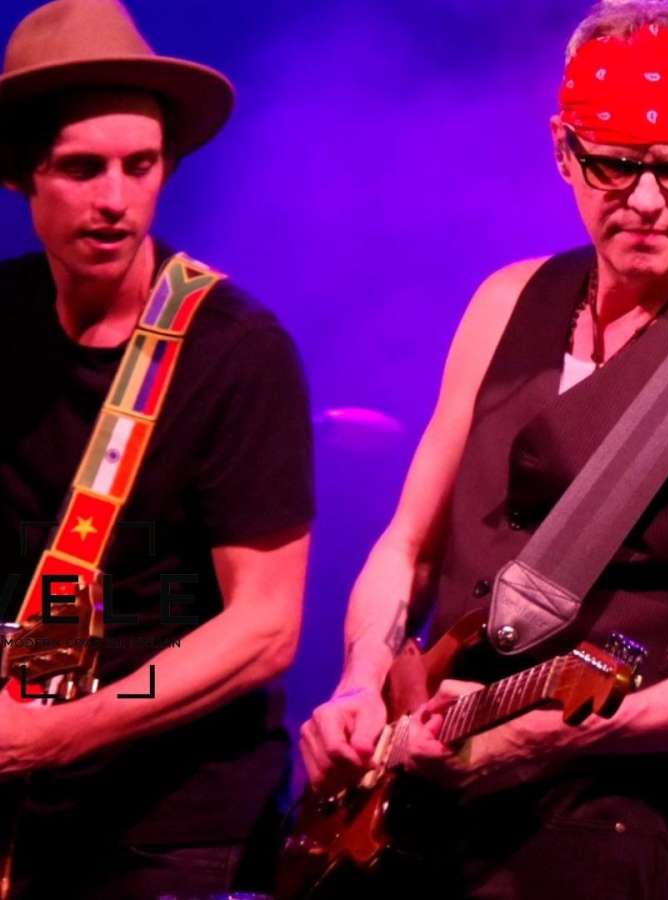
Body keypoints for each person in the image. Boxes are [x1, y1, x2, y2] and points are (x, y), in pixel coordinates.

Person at [299, 1, 668, 895]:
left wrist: (560, 735)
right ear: (562, 149)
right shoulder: (506, 300)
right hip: (411, 801)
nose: (648, 201)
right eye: (615, 165)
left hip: (588, 826)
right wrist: (359, 681)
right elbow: (408, 545)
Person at [0, 1, 314, 896]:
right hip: (25, 804)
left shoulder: (235, 351)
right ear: (23, 177)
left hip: (177, 829)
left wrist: (63, 731)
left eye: (140, 166)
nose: (115, 200)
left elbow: (264, 628)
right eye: (82, 168)